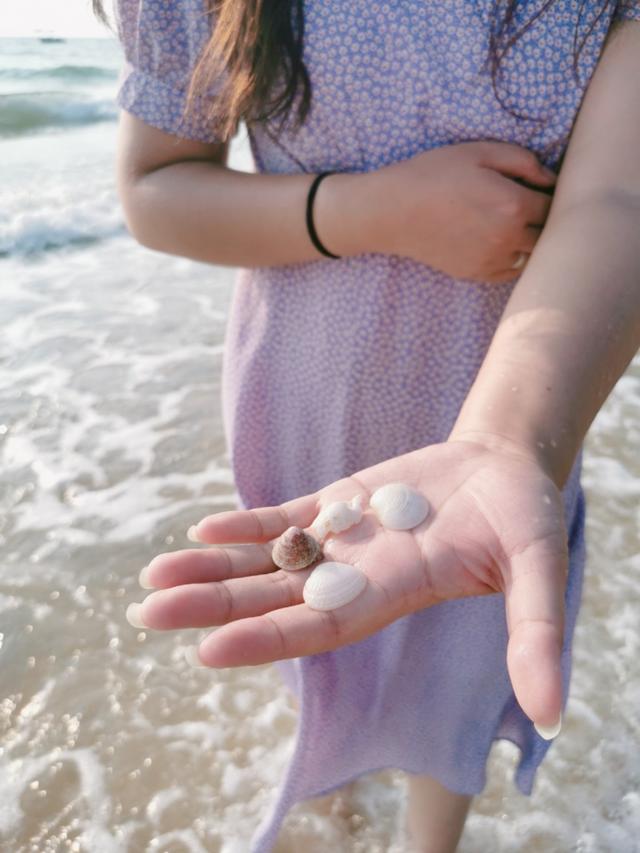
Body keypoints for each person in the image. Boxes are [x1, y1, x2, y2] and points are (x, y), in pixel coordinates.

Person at [109, 0, 640, 849]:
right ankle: (334, 784)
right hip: (304, 400)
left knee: (463, 654)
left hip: (509, 400)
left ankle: (431, 841)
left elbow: (622, 196)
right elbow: (152, 187)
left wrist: (505, 441)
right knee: (323, 635)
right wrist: (373, 209)